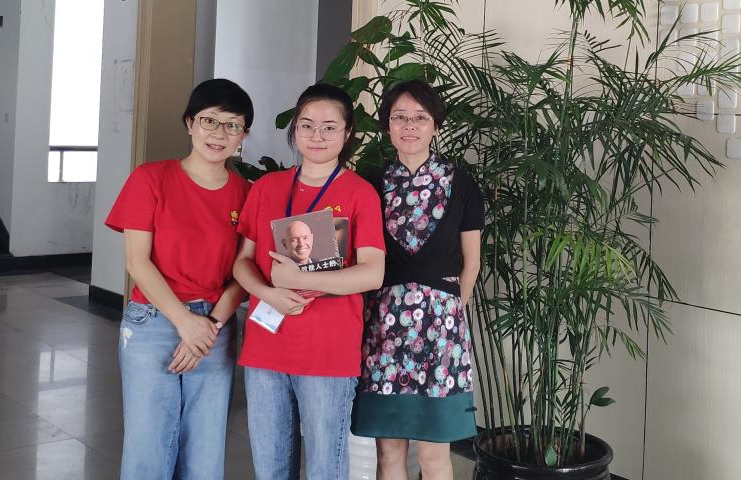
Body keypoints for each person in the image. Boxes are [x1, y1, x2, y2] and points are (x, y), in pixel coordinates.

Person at [232, 83, 387, 480]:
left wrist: (299, 277)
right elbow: (243, 263)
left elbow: (372, 272)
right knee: (271, 468)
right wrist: (268, 292)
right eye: (307, 125)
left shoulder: (360, 194)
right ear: (295, 129)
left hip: (327, 351)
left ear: (347, 133)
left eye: (329, 127)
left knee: (324, 469)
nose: (317, 135)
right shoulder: (267, 188)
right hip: (266, 346)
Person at [105, 78, 254, 480]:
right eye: (209, 120)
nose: (219, 134)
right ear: (190, 123)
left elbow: (243, 272)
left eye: (232, 125)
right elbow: (137, 261)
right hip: (153, 322)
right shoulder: (151, 178)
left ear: (244, 135)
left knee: (205, 451)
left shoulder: (246, 194)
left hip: (216, 326)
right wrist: (185, 322)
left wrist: (209, 327)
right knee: (148, 448)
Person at [351, 79, 483, 480]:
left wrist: (450, 315)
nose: (410, 126)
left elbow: (472, 263)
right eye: (400, 117)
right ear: (387, 126)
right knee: (389, 452)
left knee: (433, 454)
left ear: (435, 125)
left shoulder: (462, 183)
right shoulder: (369, 183)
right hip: (382, 329)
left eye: (420, 118)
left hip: (441, 331)